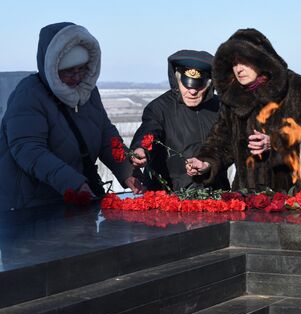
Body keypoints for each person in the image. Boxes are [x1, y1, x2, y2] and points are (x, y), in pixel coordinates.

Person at [0, 22, 143, 210]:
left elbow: (106, 137)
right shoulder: (29, 96)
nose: (77, 77)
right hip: (30, 206)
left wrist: (128, 172)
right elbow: (29, 150)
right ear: (52, 68)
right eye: (68, 71)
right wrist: (73, 183)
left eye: (82, 69)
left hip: (76, 197)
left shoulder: (88, 93)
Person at [186, 28, 301, 192]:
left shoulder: (298, 88)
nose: (238, 69)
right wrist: (206, 162)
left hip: (293, 198)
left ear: (261, 60)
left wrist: (276, 143)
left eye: (243, 62)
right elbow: (221, 141)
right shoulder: (232, 96)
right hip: (246, 197)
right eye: (234, 63)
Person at [130, 50, 229, 191]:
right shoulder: (159, 108)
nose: (192, 92)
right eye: (187, 85)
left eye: (198, 86)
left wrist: (209, 164)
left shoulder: (222, 108)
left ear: (209, 83)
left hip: (216, 196)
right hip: (169, 198)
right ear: (177, 80)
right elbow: (149, 131)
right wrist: (141, 149)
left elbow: (231, 147)